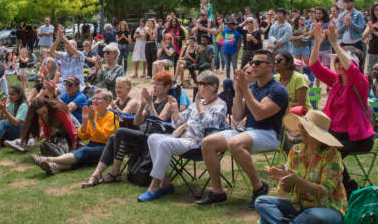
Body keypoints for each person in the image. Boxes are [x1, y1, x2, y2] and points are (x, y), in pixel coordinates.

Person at [197, 52, 289, 207]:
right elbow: (238, 116)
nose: (253, 65)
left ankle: (259, 187)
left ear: (270, 66)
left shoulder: (277, 90)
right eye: (252, 62)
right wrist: (239, 94)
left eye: (258, 63)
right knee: (208, 142)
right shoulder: (252, 87)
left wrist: (245, 89)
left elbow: (259, 114)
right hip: (248, 131)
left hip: (269, 134)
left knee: (234, 143)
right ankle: (218, 192)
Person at [254, 109, 348, 224]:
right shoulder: (295, 150)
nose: (302, 131)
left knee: (313, 217)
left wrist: (297, 180)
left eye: (307, 128)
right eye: (302, 126)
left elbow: (324, 191)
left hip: (327, 209)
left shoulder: (332, 155)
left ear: (319, 135)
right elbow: (287, 191)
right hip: (300, 207)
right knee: (261, 201)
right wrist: (286, 180)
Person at [138, 70, 228, 201]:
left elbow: (208, 124)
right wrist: (175, 108)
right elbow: (178, 123)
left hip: (199, 142)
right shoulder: (197, 104)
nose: (199, 87)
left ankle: (154, 187)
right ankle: (165, 183)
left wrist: (198, 104)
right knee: (153, 138)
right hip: (183, 139)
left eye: (203, 84)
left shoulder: (220, 105)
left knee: (164, 143)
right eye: (198, 84)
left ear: (214, 86)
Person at [307, 22, 374, 193]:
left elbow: (351, 69)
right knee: (311, 145)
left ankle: (349, 188)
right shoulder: (336, 80)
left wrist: (335, 44)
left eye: (341, 59)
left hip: (358, 139)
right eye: (336, 60)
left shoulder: (360, 82)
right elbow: (314, 66)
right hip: (335, 133)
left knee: (330, 152)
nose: (337, 63)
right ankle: (322, 185)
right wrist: (317, 42)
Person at [32, 89, 117, 175]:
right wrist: (85, 120)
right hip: (92, 144)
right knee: (82, 159)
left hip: (106, 148)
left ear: (107, 102)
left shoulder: (112, 116)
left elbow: (102, 137)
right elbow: (83, 136)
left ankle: (49, 159)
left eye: (98, 99)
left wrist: (92, 121)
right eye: (94, 98)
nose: (94, 101)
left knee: (84, 151)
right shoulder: (94, 114)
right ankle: (53, 166)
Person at [337, 0, 366, 73]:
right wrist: (344, 25)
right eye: (345, 3)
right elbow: (338, 31)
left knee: (358, 65)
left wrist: (351, 23)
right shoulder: (342, 15)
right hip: (344, 43)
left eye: (348, 2)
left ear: (353, 3)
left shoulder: (358, 14)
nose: (346, 4)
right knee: (344, 65)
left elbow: (360, 29)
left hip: (356, 43)